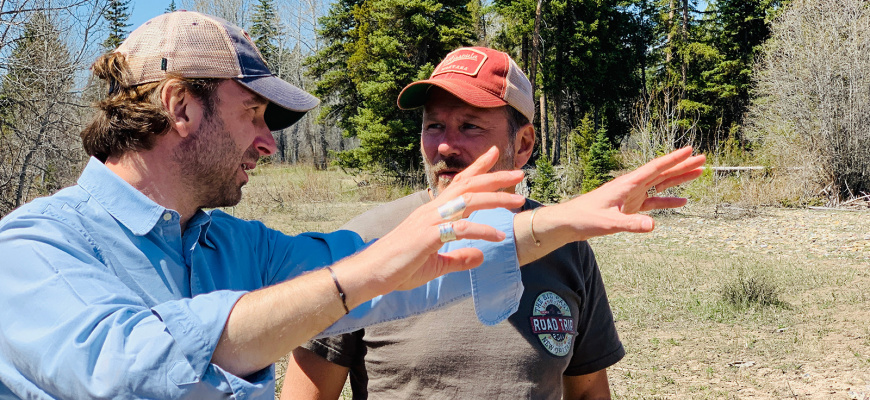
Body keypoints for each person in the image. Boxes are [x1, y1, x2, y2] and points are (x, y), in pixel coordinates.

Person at [0, 11, 705, 400]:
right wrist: (353, 282)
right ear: (180, 106)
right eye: (253, 115)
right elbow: (127, 371)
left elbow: (405, 271)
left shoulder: (229, 248)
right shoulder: (34, 250)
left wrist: (565, 218)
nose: (268, 145)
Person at [283, 47, 621, 400]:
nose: (444, 146)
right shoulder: (363, 242)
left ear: (523, 144)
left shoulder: (564, 246)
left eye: (469, 126)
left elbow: (588, 392)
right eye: (434, 126)